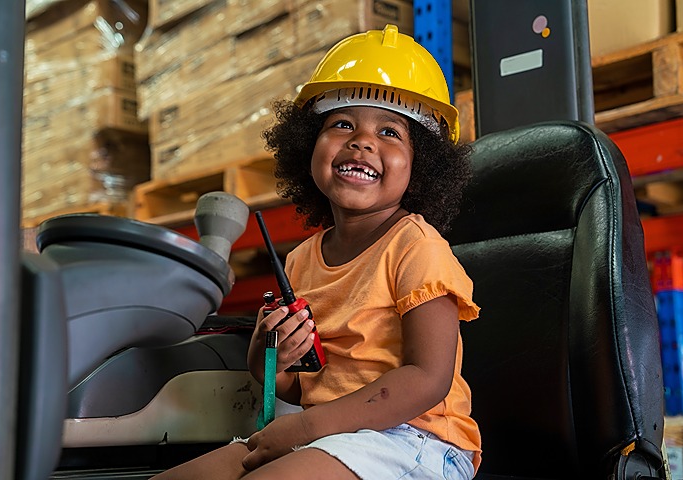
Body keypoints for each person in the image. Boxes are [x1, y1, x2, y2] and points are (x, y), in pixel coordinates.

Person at [152, 24, 481, 480]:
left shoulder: (417, 248)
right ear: (309, 145)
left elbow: (428, 379)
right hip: (325, 434)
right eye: (342, 124)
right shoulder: (301, 259)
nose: (362, 141)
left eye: (390, 131)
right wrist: (271, 353)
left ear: (421, 165)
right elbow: (289, 385)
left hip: (415, 439)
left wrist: (307, 427)